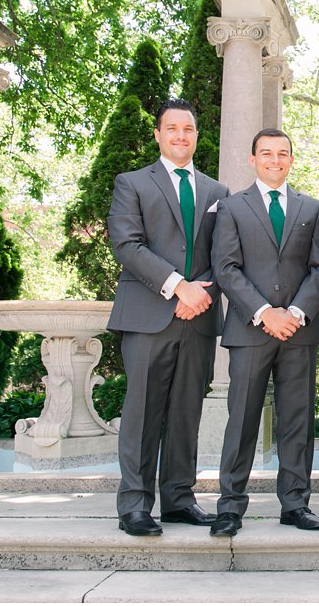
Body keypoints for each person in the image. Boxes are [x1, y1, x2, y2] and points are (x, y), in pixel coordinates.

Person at [106, 98, 228, 536]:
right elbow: (127, 244)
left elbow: (225, 254)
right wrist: (178, 286)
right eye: (172, 129)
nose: (181, 136)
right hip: (148, 313)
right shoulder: (133, 183)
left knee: (185, 411)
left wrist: (200, 293)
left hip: (199, 315)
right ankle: (135, 505)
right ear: (158, 135)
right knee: (141, 410)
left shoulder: (217, 192)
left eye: (188, 129)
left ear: (197, 135)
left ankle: (179, 498)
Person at [208, 128, 319, 538]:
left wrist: (294, 312)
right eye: (266, 153)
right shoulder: (230, 208)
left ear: (292, 160)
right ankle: (229, 507)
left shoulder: (312, 209)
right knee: (241, 420)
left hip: (298, 331)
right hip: (250, 329)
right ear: (253, 159)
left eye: (283, 153)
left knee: (297, 421)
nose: (274, 160)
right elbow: (226, 268)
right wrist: (265, 313)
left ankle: (295, 503)